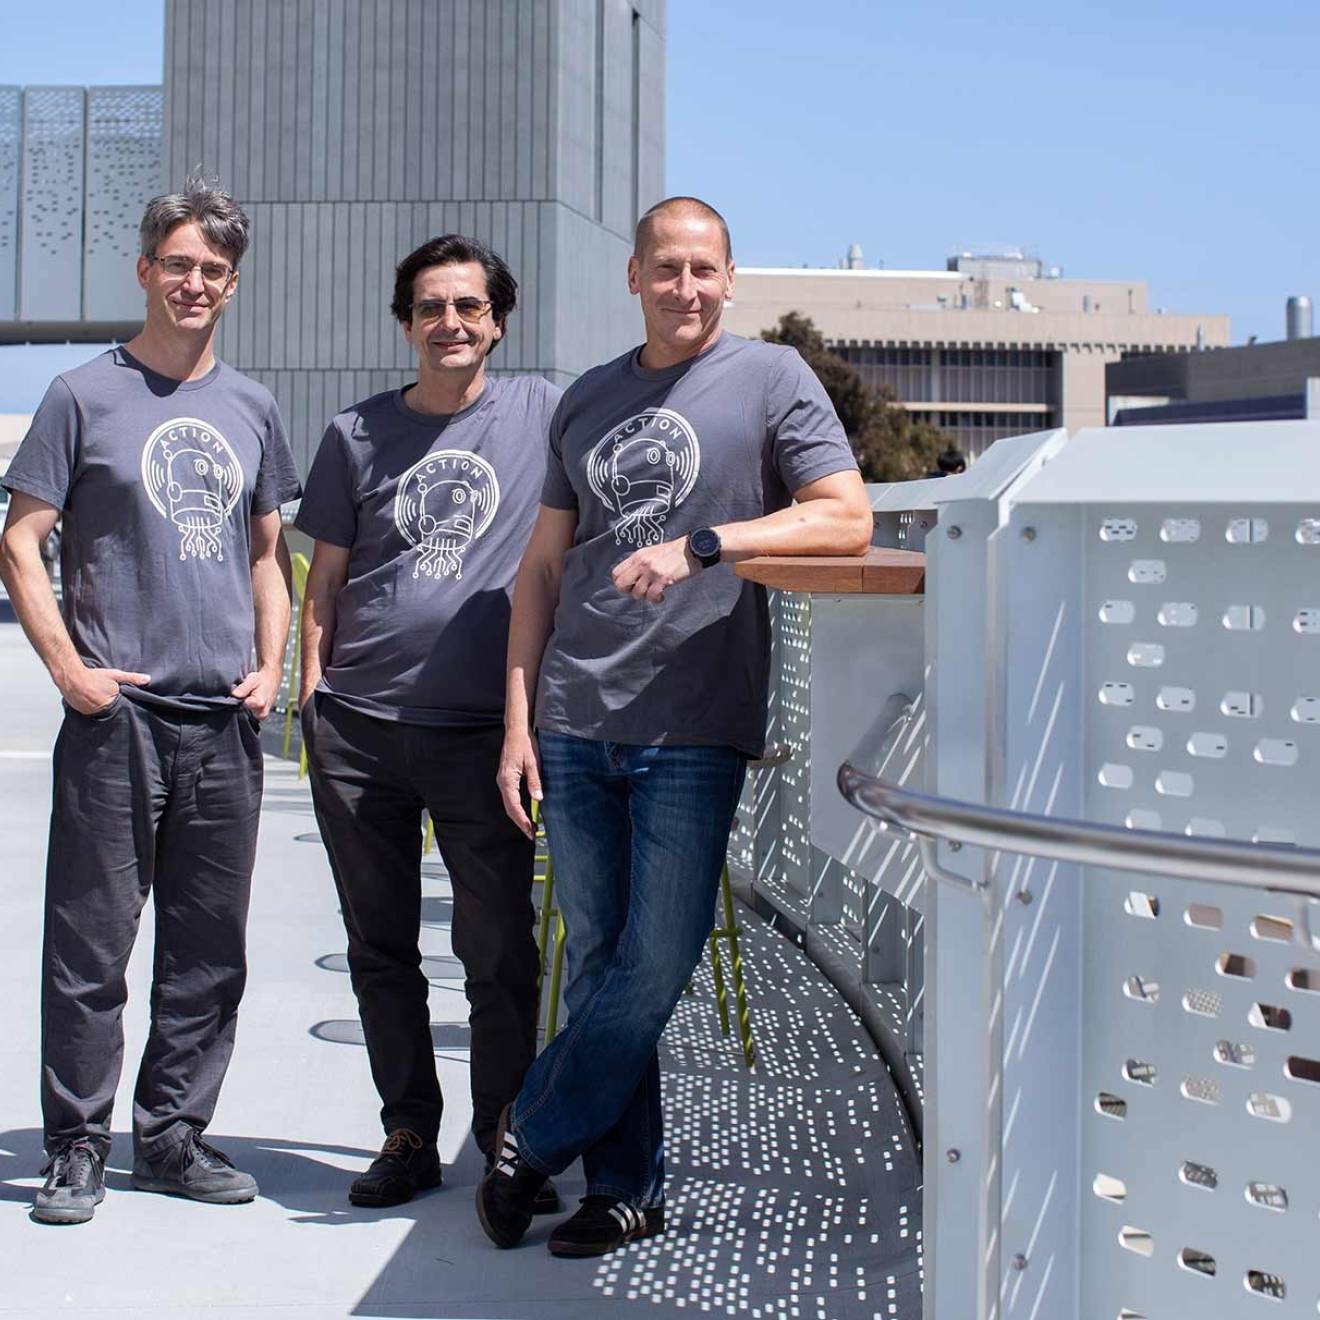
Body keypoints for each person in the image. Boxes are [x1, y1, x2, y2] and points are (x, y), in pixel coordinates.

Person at [477, 196, 873, 1257]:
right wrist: (519, 723)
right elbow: (542, 570)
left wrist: (707, 546)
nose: (685, 288)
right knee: (606, 962)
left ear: (730, 278)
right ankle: (626, 1189)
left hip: (693, 723)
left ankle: (528, 1130)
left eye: (703, 270)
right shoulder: (590, 401)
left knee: (657, 959)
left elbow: (847, 514)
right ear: (635, 279)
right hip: (572, 715)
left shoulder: (772, 381)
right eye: (666, 270)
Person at [0, 177, 301, 1226]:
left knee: (208, 945)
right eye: (178, 264)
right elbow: (21, 541)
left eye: (214, 270)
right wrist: (67, 670)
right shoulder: (82, 396)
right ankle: (76, 1144)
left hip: (224, 718)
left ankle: (173, 1136)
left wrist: (275, 667)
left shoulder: (254, 407)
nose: (195, 283)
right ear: (144, 271)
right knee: (89, 943)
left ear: (231, 285)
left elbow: (269, 558)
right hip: (113, 716)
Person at [296, 235, 561, 1211]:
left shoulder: (541, 412)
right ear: (406, 324)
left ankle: (504, 1136)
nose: (450, 322)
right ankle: (408, 1131)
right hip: (359, 729)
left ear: (497, 319)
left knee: (497, 949)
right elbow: (323, 579)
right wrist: (314, 699)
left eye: (469, 306)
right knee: (382, 947)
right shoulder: (353, 435)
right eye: (430, 308)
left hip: (484, 732)